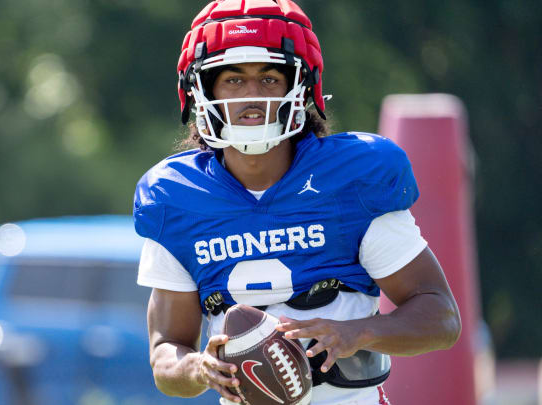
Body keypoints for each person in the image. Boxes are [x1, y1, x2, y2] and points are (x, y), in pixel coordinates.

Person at [132, 1, 462, 404]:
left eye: (270, 78)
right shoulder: (177, 196)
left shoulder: (352, 180)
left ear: (302, 87)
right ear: (201, 91)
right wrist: (198, 367)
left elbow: (441, 316)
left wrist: (355, 332)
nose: (253, 97)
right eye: (233, 80)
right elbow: (166, 352)